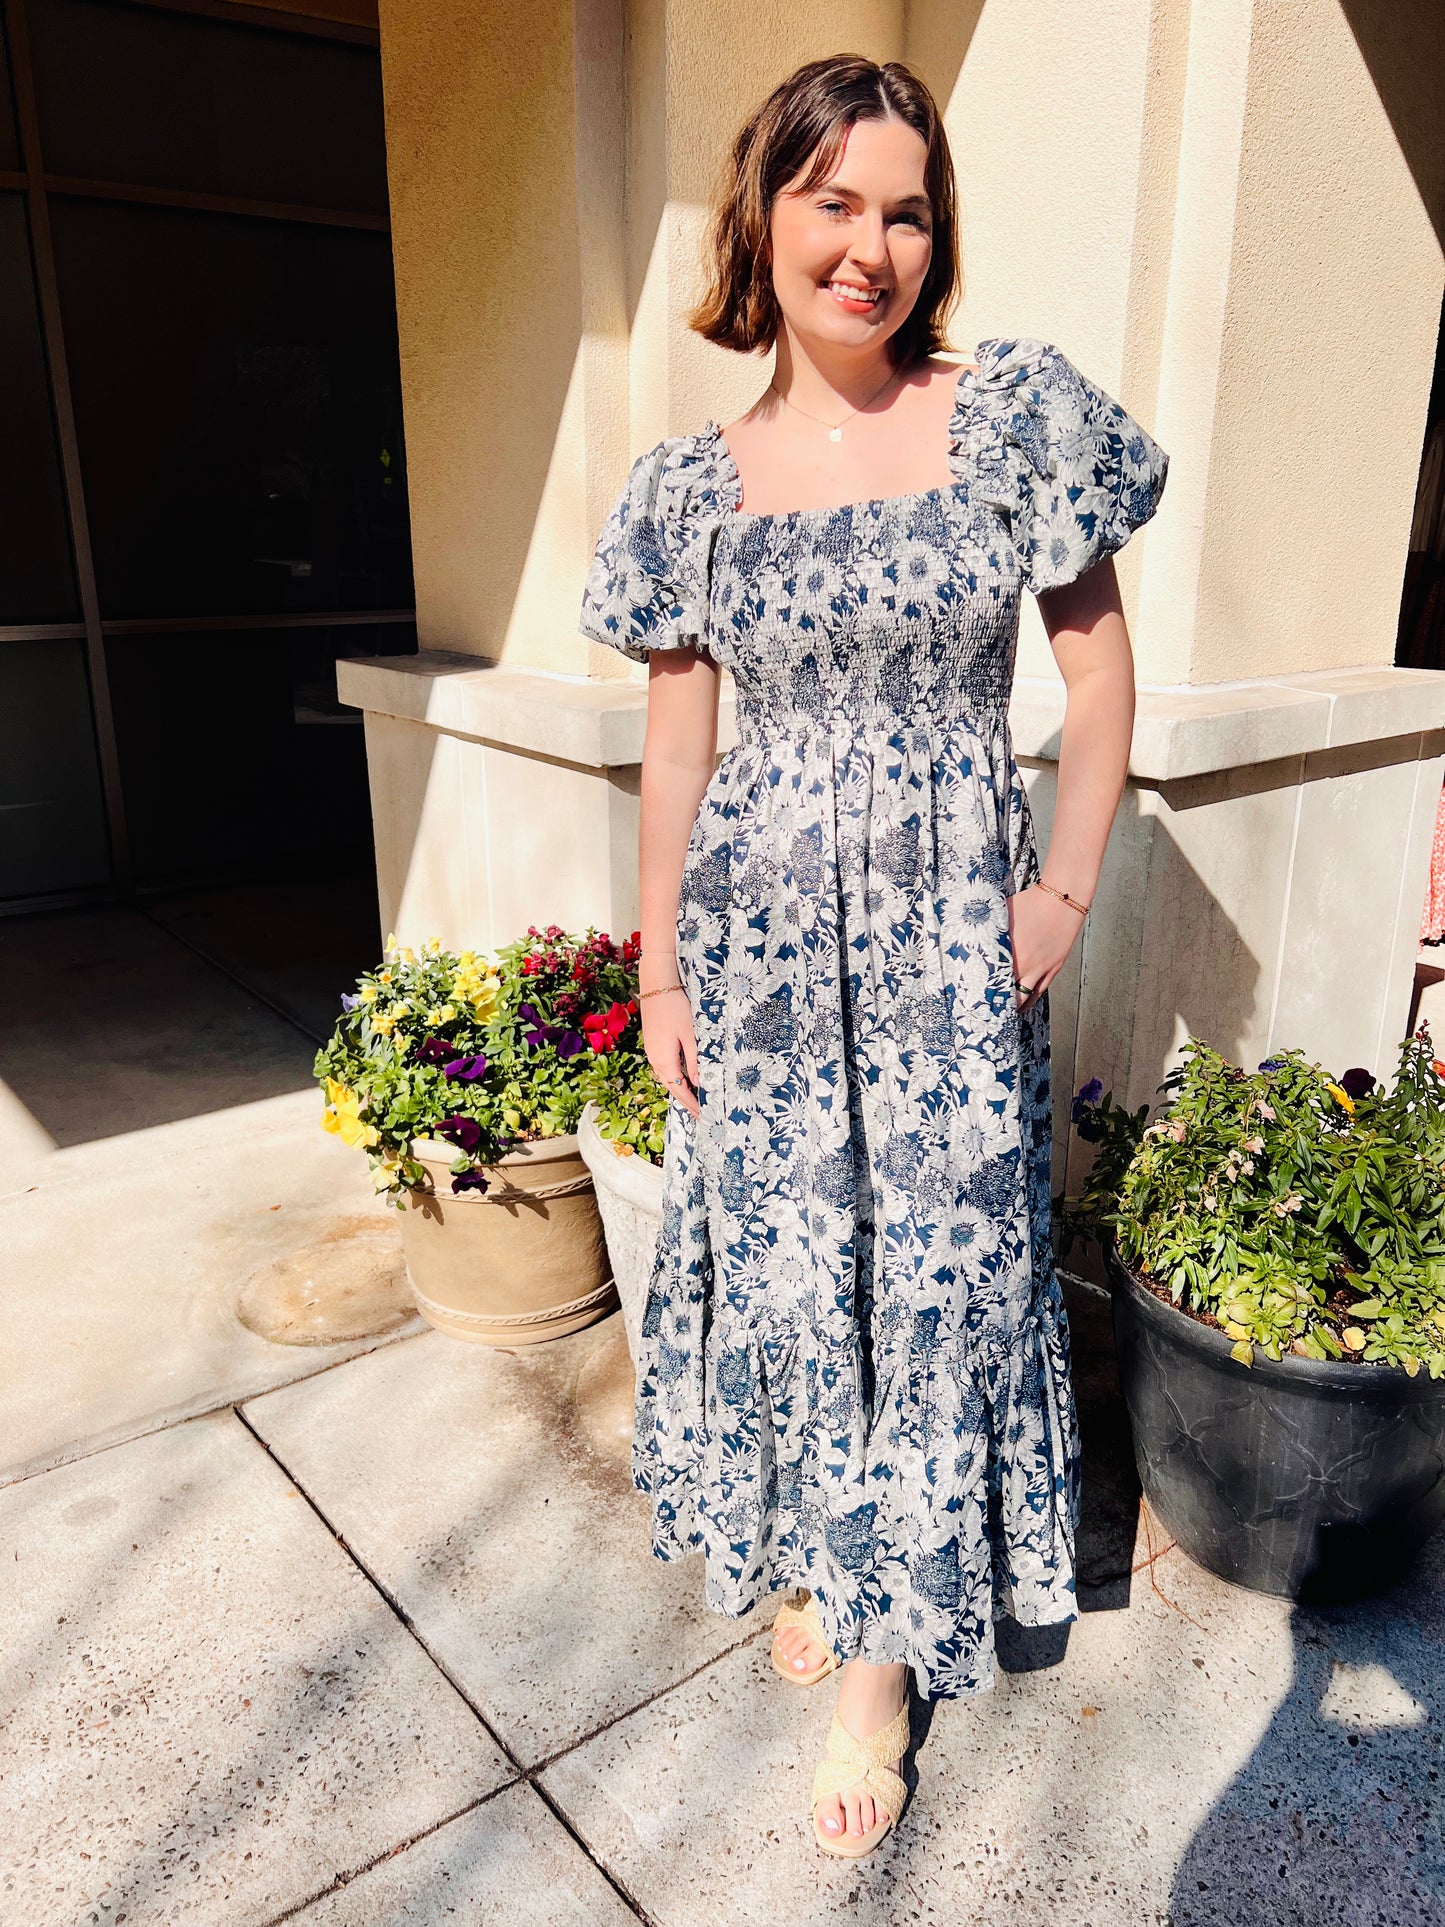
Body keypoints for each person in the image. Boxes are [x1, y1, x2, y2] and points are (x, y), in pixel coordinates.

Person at [578, 52, 1168, 1859]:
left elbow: (1091, 677)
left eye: (906, 208)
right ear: (766, 214)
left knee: (930, 1267)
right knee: (784, 1256)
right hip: (757, 945)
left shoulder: (1007, 419)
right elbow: (677, 744)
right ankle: (826, 1553)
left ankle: (874, 1678)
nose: (872, 245)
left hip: (938, 943)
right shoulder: (689, 485)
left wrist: (1058, 897)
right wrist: (663, 973)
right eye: (834, 200)